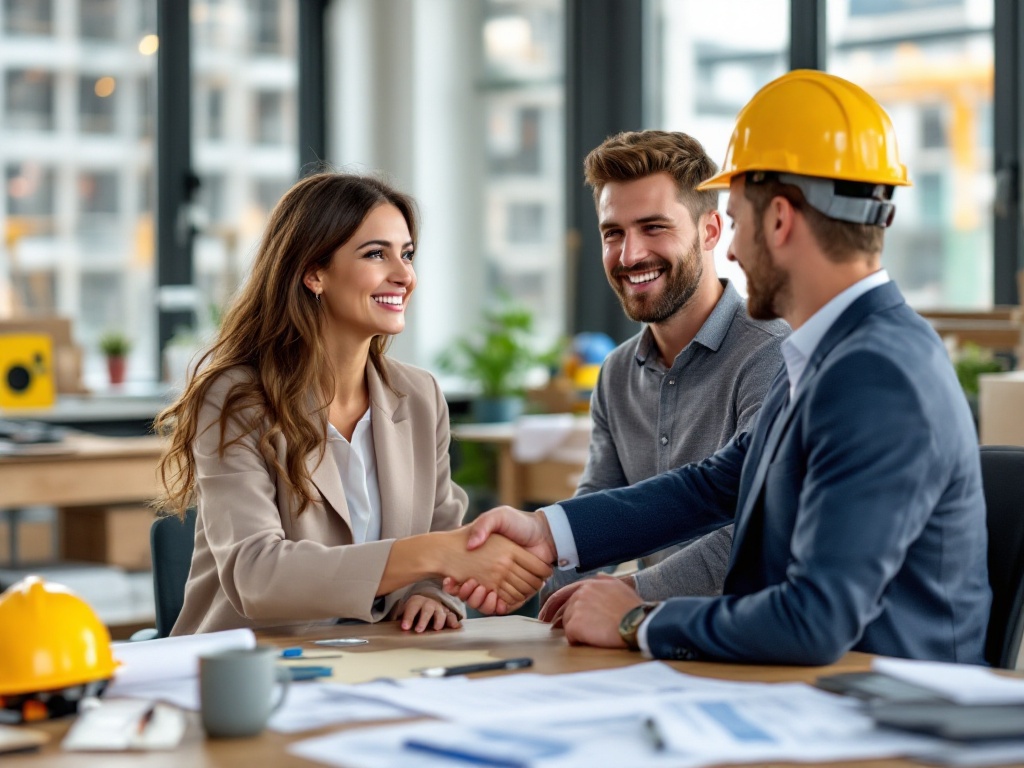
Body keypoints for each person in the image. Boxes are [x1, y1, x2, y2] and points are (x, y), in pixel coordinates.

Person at [447, 70, 991, 665]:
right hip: (815, 690)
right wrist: (548, 532)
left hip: (886, 715)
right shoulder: (829, 352)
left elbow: (815, 619)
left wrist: (634, 618)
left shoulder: (875, 375)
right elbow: (713, 484)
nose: (729, 250)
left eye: (736, 219)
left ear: (779, 221)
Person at [156, 171, 551, 636]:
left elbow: (442, 533)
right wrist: (438, 552)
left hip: (379, 661)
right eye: (375, 254)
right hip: (251, 672)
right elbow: (257, 575)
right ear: (313, 272)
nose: (404, 276)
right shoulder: (236, 400)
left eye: (406, 254)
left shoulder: (420, 397)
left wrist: (430, 590)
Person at [542, 130, 788, 605]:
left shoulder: (772, 353)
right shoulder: (615, 373)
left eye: (654, 227)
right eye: (613, 233)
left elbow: (760, 529)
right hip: (648, 647)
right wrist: (547, 588)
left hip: (745, 643)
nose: (630, 255)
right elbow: (595, 511)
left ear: (711, 231)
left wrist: (633, 595)